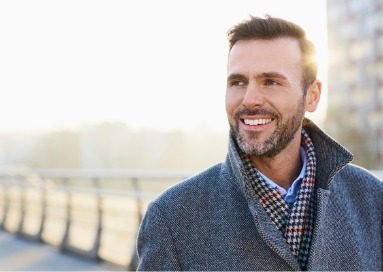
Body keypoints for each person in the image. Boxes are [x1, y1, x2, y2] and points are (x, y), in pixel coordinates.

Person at [136, 15, 383, 271]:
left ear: (312, 95)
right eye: (238, 82)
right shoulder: (173, 218)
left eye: (271, 82)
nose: (250, 99)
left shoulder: (373, 201)